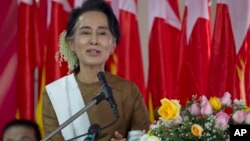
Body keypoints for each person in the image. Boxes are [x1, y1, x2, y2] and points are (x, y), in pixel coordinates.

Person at [42, 0, 150, 141]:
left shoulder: (128, 91)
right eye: (85, 32)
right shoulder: (55, 94)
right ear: (71, 43)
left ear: (112, 45)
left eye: (102, 33)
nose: (94, 40)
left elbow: (146, 138)